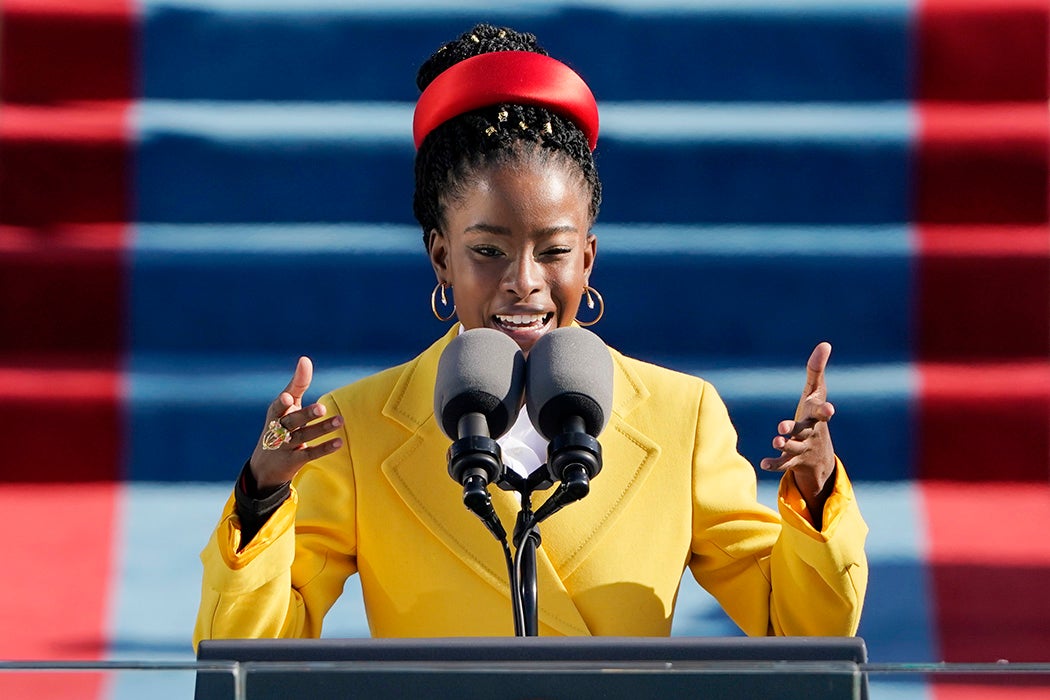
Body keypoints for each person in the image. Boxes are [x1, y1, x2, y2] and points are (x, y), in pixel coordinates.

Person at [193, 23, 867, 645]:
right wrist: (262, 494)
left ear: (588, 260)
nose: (524, 281)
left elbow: (801, 630)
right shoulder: (358, 427)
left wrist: (816, 490)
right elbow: (250, 659)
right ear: (441, 258)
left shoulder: (680, 417)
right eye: (488, 251)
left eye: (552, 250)